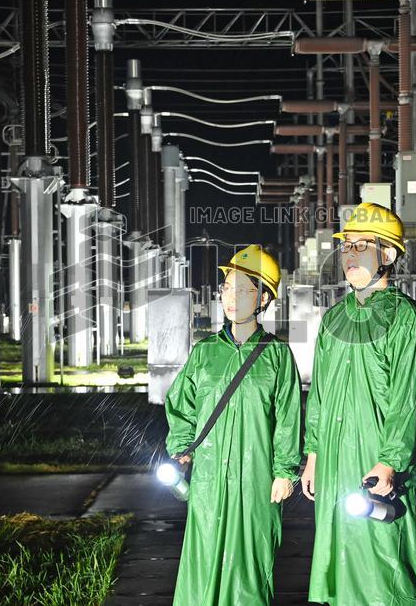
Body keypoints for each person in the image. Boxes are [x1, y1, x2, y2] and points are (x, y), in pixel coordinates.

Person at [302, 202, 416, 606]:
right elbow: (319, 392)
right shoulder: (333, 320)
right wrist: (313, 454)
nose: (351, 255)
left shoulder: (405, 319)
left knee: (382, 561)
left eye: (363, 246)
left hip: (376, 459)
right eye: (347, 246)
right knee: (337, 555)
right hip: (333, 456)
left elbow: (407, 399)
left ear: (388, 255)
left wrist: (390, 461)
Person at [164, 244, 302, 606]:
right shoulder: (205, 353)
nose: (230, 297)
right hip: (208, 478)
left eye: (242, 289)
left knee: (250, 565)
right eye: (226, 288)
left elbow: (288, 419)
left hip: (257, 479)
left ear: (263, 298)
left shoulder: (277, 356)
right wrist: (182, 449)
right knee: (203, 560)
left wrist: (284, 472)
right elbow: (181, 406)